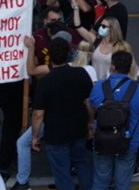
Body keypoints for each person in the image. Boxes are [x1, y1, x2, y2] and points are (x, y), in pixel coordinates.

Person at [86, 51, 139, 190]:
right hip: (129, 142)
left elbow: (91, 107)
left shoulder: (99, 86)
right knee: (123, 183)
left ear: (112, 66)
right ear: (130, 67)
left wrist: (91, 122)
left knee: (100, 181)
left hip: (102, 141)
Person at [30, 37, 94, 190]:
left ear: (50, 57)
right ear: (69, 54)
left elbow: (38, 114)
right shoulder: (81, 73)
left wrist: (34, 136)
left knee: (61, 172)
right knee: (82, 164)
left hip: (56, 134)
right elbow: (89, 103)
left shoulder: (45, 82)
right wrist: (89, 123)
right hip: (78, 129)